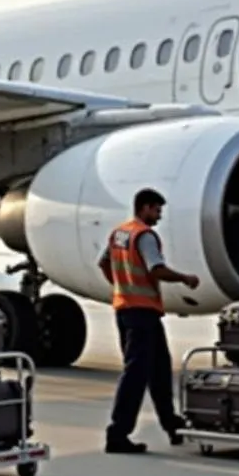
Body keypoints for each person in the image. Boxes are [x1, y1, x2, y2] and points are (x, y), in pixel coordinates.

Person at [98, 188, 200, 454]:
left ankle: (171, 424)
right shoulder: (144, 236)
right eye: (156, 210)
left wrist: (121, 286)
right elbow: (157, 269)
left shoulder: (120, 233)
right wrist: (185, 278)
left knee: (159, 370)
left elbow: (103, 263)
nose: (159, 216)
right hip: (141, 312)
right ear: (144, 208)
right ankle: (118, 434)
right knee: (136, 374)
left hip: (128, 310)